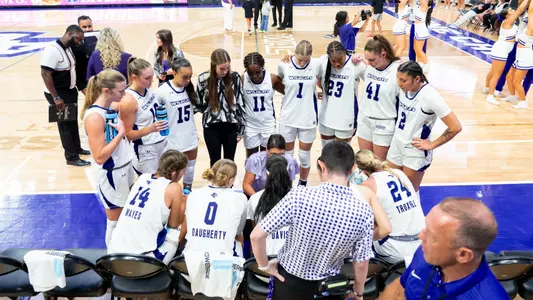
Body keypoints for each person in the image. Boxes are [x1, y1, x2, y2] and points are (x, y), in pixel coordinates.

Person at [251, 141, 375, 300]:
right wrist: (358, 292)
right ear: (352, 169)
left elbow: (256, 236)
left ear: (321, 166)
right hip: (330, 287)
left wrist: (265, 266)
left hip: (290, 283)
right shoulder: (364, 211)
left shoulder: (299, 196)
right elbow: (361, 262)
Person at [380, 198, 508, 299]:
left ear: (463, 255)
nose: (420, 236)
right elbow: (399, 288)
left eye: (432, 236)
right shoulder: (427, 254)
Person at [387, 61, 462, 192]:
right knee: (390, 187)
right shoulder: (404, 88)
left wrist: (432, 145)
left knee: (409, 192)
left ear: (417, 79)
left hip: (414, 150)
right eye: (398, 79)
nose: (399, 83)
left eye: (403, 80)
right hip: (397, 143)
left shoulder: (430, 96)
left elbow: (456, 127)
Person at [81, 69, 134, 247]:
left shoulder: (109, 107)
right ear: (106, 91)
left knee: (126, 218)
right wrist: (120, 134)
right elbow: (99, 157)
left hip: (124, 169)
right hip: (111, 174)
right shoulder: (95, 117)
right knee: (115, 221)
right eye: (120, 91)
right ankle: (111, 259)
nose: (124, 93)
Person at [107, 150, 187, 265]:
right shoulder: (174, 187)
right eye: (183, 171)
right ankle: (176, 266)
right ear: (174, 173)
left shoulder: (142, 178)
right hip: (143, 263)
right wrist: (183, 203)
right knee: (183, 222)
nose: (183, 174)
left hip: (113, 256)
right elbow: (173, 224)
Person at [355, 150, 424, 263]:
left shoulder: (367, 186)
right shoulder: (398, 173)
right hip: (421, 243)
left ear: (362, 171)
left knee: (363, 224)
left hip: (395, 249)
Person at [40, 24, 90, 167]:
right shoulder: (52, 50)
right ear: (69, 34)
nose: (79, 42)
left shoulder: (67, 49)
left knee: (72, 122)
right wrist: (56, 97)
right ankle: (71, 157)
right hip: (58, 94)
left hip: (69, 91)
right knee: (65, 126)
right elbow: (45, 74)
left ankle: (77, 148)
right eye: (78, 39)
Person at [183, 159, 248, 255]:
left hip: (192, 256)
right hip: (222, 261)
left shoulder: (194, 194)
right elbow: (238, 231)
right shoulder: (240, 198)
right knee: (239, 237)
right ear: (231, 180)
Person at [278, 40, 319, 187]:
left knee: (304, 156)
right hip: (288, 117)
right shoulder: (284, 64)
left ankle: (302, 184)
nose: (302, 63)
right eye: (300, 60)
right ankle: (288, 184)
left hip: (308, 117)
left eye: (305, 60)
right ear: (294, 54)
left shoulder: (316, 64)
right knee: (287, 156)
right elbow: (279, 82)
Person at [156, 58, 199, 194]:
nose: (187, 80)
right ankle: (170, 196)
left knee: (190, 169)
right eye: (184, 77)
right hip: (172, 140)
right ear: (174, 73)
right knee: (172, 173)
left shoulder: (190, 89)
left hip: (190, 137)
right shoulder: (162, 91)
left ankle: (187, 194)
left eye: (190, 77)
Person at [196, 49, 245, 167]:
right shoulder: (203, 78)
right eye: (222, 69)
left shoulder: (235, 78)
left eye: (227, 68)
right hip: (211, 127)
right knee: (215, 161)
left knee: (229, 161)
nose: (225, 71)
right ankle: (214, 185)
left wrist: (241, 129)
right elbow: (199, 103)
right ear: (214, 65)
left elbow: (240, 103)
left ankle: (228, 185)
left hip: (231, 126)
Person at [120, 58, 169, 174]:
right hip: (146, 149)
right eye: (147, 78)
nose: (151, 80)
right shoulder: (128, 101)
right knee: (151, 185)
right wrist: (150, 129)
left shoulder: (147, 89)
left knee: (165, 181)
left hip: (161, 141)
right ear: (134, 78)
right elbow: (127, 134)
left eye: (152, 76)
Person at [357, 36, 401, 161]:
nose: (369, 63)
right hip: (365, 118)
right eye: (367, 59)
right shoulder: (371, 67)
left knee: (379, 165)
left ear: (383, 54)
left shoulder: (398, 70)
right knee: (364, 163)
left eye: (372, 60)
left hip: (384, 122)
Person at [318, 41, 366, 144]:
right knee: (327, 152)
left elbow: (374, 77)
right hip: (326, 116)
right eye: (333, 61)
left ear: (345, 53)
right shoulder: (323, 61)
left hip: (346, 118)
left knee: (341, 155)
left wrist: (365, 60)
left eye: (340, 60)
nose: (337, 64)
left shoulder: (356, 64)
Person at [242, 52, 284, 157]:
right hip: (250, 125)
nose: (254, 76)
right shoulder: (242, 80)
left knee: (268, 157)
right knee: (252, 158)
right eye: (251, 73)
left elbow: (289, 93)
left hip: (268, 125)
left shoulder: (272, 79)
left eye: (257, 72)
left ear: (262, 67)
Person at [248, 155, 292, 256]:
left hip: (265, 259)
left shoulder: (255, 198)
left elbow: (254, 230)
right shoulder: (299, 196)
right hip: (292, 262)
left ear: (267, 175)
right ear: (287, 173)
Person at [484, 5, 522, 105]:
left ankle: (486, 87)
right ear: (507, 16)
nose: (512, 9)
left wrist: (515, 39)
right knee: (497, 74)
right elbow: (519, 10)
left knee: (493, 71)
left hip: (501, 48)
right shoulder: (508, 21)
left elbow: (510, 38)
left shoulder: (512, 23)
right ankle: (490, 96)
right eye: (510, 10)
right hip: (501, 50)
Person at [505, 0, 533, 109]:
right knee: (509, 76)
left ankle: (523, 101)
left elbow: (531, 10)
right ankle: (512, 96)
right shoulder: (525, 28)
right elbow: (523, 9)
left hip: (526, 56)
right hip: (520, 56)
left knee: (516, 81)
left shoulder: (530, 31)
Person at [72, 15, 98, 93]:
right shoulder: (74, 45)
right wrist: (81, 86)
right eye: (84, 27)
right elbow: (76, 68)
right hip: (85, 82)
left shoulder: (97, 39)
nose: (88, 29)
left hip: (100, 80)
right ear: (79, 28)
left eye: (89, 26)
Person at [412, 0, 434, 74]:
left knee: (419, 50)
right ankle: (420, 64)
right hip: (417, 29)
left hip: (421, 30)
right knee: (415, 48)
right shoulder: (419, 6)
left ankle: (426, 66)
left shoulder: (424, 7)